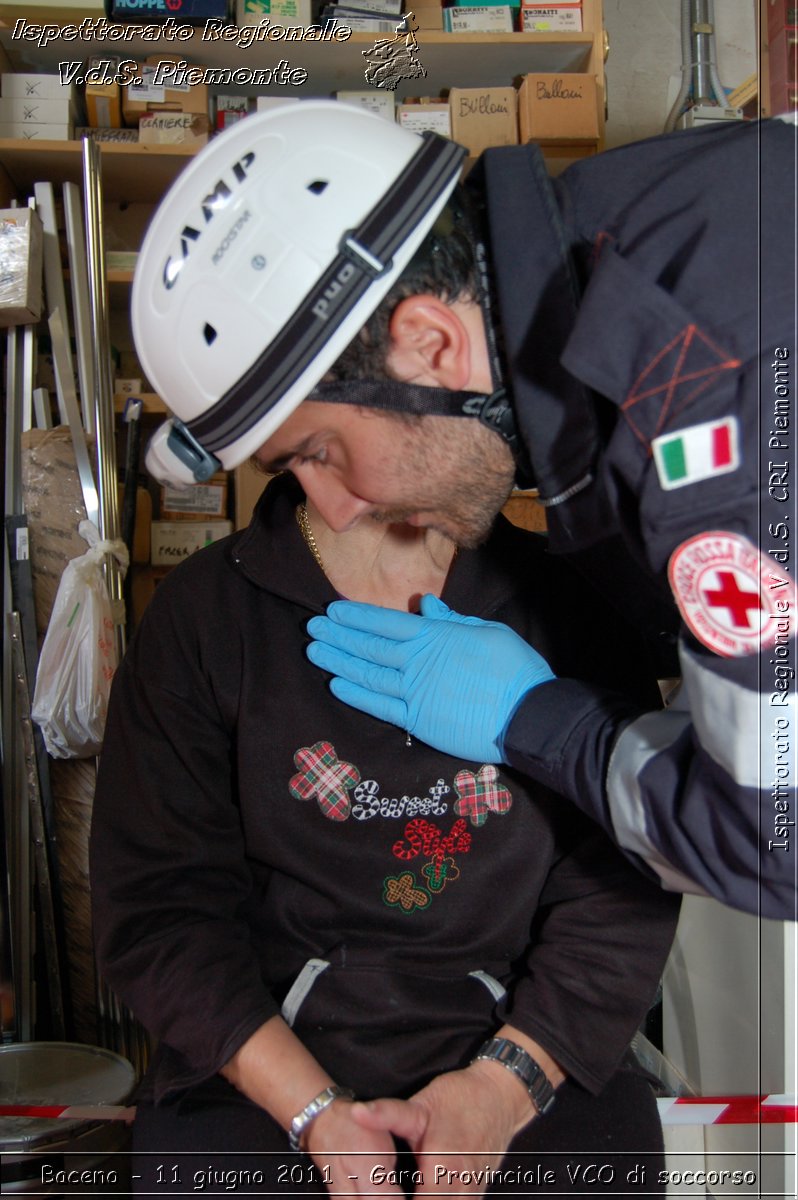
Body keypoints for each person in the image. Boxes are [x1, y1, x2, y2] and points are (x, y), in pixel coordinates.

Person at [129, 102, 797, 921]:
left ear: (431, 343)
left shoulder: (709, 428)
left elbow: (778, 844)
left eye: (318, 453)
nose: (335, 511)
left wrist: (543, 722)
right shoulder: (655, 223)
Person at [90, 472, 679, 1197]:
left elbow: (623, 892)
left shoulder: (576, 606)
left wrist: (503, 1090)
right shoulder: (201, 615)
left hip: (529, 1045)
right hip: (265, 1058)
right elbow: (161, 910)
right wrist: (316, 1113)